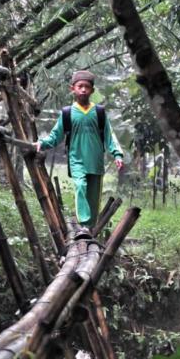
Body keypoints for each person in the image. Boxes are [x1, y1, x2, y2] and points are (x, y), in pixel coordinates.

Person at [34, 70, 124, 236]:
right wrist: (42, 143)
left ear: (92, 90)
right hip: (76, 159)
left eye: (87, 87)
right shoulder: (67, 113)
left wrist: (117, 154)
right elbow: (55, 136)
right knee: (80, 186)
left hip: (96, 160)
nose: (83, 90)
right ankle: (83, 225)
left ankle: (89, 228)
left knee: (93, 195)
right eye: (80, 86)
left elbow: (109, 136)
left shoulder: (99, 112)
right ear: (72, 89)